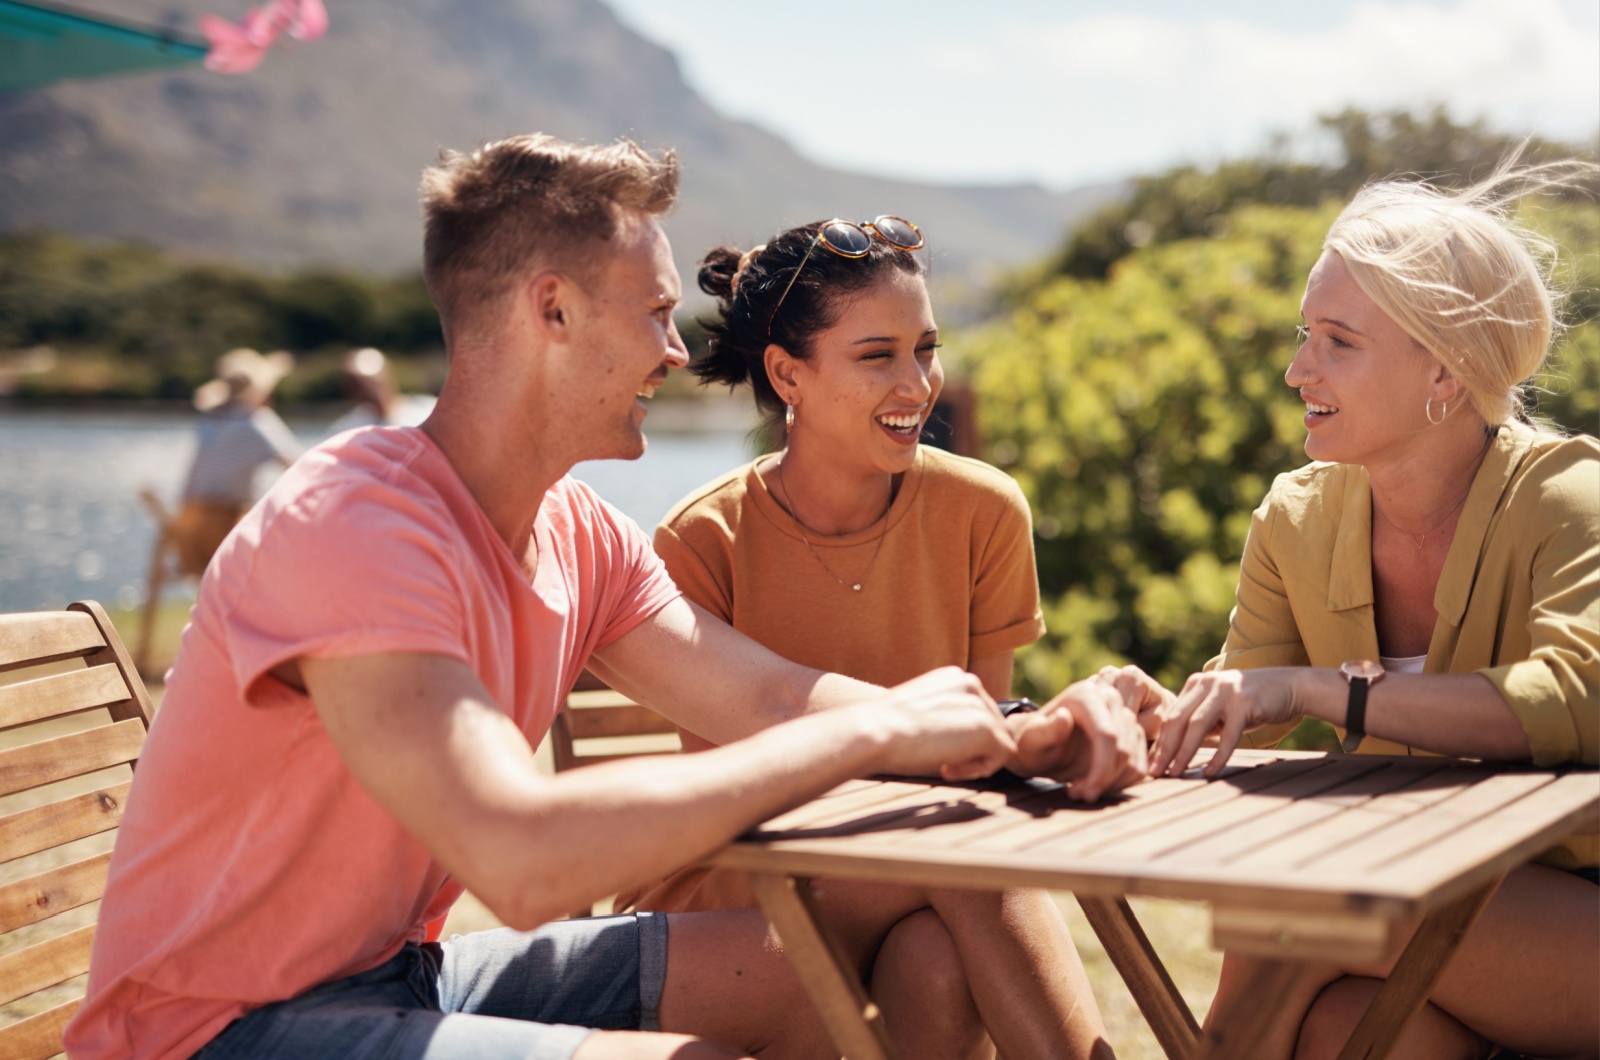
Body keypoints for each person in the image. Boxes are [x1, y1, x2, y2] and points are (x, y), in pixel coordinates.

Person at [67, 134, 1147, 1060]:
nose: (679, 352)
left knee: (865, 921)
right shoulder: (355, 525)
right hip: (218, 1031)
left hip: (402, 977)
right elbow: (520, 855)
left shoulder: (578, 535)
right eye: (658, 314)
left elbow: (770, 699)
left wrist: (1011, 731)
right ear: (553, 313)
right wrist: (871, 738)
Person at [614, 217, 1131, 1059]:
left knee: (934, 957)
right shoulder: (703, 540)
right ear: (788, 374)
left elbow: (981, 758)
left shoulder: (985, 513)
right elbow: (742, 799)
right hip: (743, 892)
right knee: (962, 856)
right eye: (877, 355)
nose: (917, 384)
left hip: (924, 862)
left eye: (926, 348)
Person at [1138, 161, 1599, 1060]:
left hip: (1577, 914)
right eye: (1305, 334)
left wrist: (1326, 692)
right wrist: (1156, 712)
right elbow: (1250, 705)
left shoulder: (1571, 497)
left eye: (1337, 342)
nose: (1294, 369)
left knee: (1310, 895)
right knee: (1342, 1030)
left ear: (1446, 369)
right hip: (1430, 910)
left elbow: (1577, 702)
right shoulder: (1296, 518)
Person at [173, 346, 302, 574]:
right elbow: (301, 467)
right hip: (228, 533)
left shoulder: (208, 422)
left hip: (190, 532)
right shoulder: (257, 423)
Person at [327, 345, 437, 433]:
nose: (369, 390)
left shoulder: (429, 411)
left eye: (372, 381)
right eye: (357, 384)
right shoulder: (348, 432)